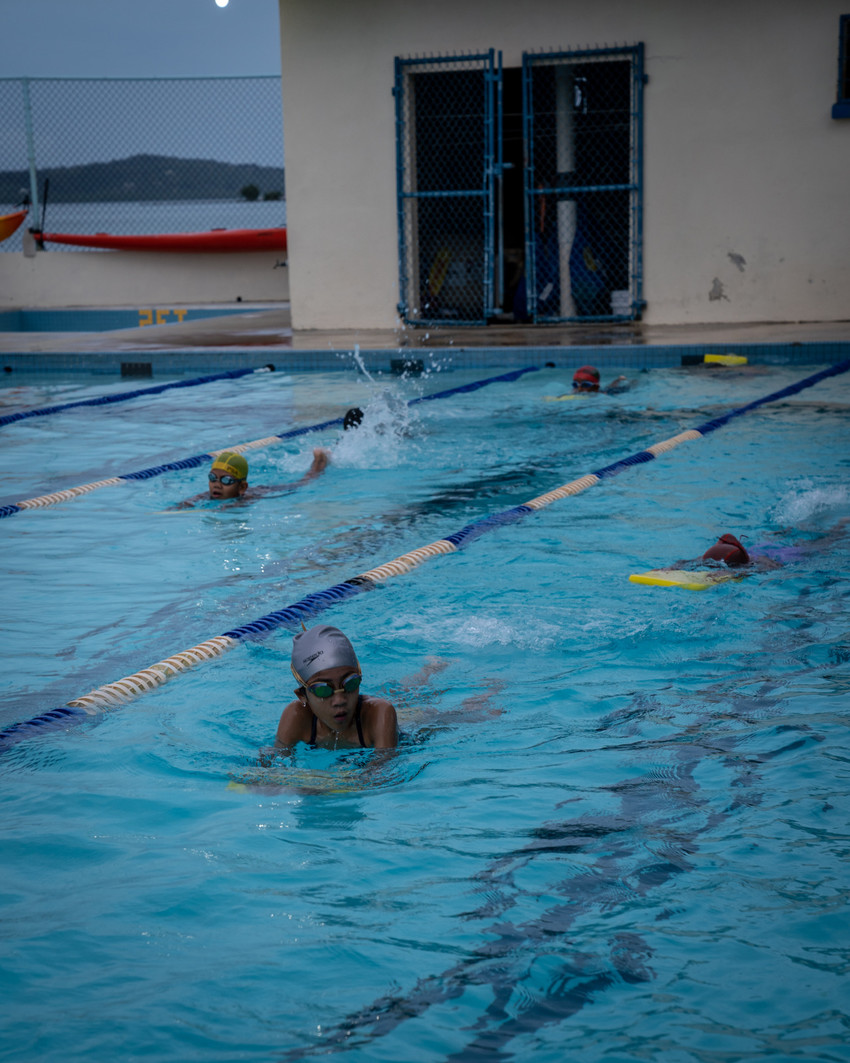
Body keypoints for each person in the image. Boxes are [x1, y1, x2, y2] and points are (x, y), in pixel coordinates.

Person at [275, 624, 398, 750]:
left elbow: (383, 765)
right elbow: (272, 764)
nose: (339, 700)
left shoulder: (379, 714)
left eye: (350, 683)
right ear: (302, 696)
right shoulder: (297, 716)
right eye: (323, 690)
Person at [173, 446, 330, 508]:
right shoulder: (209, 494)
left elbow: (238, 507)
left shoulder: (246, 498)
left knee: (304, 483)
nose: (217, 485)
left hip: (265, 490)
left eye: (226, 480)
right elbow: (190, 501)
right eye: (213, 478)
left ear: (242, 487)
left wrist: (228, 508)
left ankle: (320, 461)